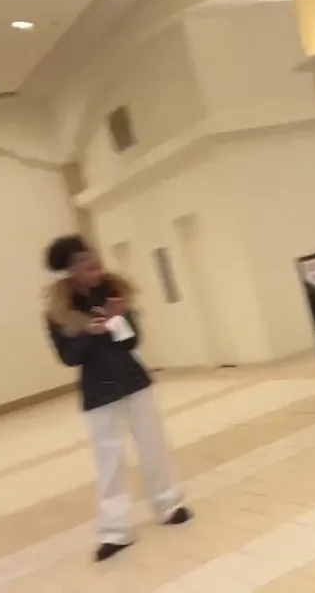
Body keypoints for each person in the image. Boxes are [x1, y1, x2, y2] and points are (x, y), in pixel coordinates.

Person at [43, 235, 192, 562]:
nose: (91, 263)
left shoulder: (115, 291)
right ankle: (115, 531)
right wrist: (89, 333)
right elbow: (69, 357)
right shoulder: (59, 312)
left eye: (91, 256)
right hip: (98, 393)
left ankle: (169, 505)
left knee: (153, 446)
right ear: (69, 271)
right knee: (109, 462)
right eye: (82, 261)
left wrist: (118, 319)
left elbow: (131, 342)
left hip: (133, 381)